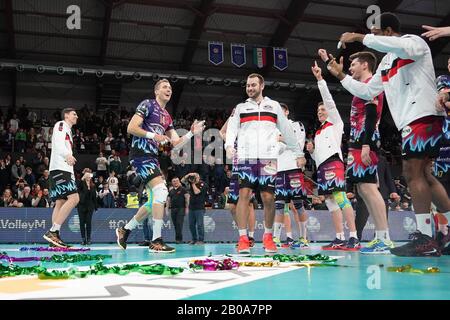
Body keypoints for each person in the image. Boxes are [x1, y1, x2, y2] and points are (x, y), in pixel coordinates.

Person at [330, 12, 450, 256]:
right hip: (408, 120)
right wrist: (340, 76)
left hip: (423, 114)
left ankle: (426, 238)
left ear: (386, 31)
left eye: (375, 32)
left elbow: (399, 45)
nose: (373, 37)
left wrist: (361, 38)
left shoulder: (413, 43)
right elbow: (367, 92)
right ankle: (443, 234)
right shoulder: (386, 63)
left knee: (412, 171)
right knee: (425, 175)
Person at [115, 79, 205, 253]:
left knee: (151, 203)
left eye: (170, 88)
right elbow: (131, 128)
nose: (168, 89)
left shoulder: (167, 116)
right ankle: (156, 241)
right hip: (140, 155)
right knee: (162, 191)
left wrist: (191, 133)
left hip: (152, 158)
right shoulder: (147, 104)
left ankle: (125, 230)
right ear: (156, 91)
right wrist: (153, 136)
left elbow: (176, 143)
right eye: (165, 87)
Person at [321, 49, 394, 254]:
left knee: (369, 189)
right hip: (357, 142)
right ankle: (380, 237)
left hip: (365, 141)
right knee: (363, 189)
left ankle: (384, 238)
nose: (350, 68)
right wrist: (328, 60)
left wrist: (366, 145)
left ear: (365, 65)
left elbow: (371, 115)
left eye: (353, 64)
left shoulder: (371, 85)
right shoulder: (361, 87)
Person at [225, 73, 304, 254]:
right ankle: (243, 238)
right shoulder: (240, 108)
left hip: (268, 158)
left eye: (253, 85)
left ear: (262, 86)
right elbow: (232, 128)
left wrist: (298, 153)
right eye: (247, 85)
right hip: (246, 157)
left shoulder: (274, 106)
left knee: (268, 198)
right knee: (243, 196)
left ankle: (268, 237)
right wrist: (229, 145)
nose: (250, 88)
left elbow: (287, 131)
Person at [308, 61, 360, 251]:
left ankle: (353, 237)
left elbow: (328, 100)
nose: (320, 112)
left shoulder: (335, 122)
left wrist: (320, 79)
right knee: (330, 202)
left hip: (334, 164)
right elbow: (318, 158)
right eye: (318, 111)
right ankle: (339, 238)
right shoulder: (319, 132)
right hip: (322, 166)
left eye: (323, 110)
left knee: (340, 198)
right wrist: (312, 152)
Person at [273, 103, 309, 249]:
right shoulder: (273, 130)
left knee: (299, 205)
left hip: (294, 168)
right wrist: (283, 141)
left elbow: (298, 144)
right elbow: (274, 149)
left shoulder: (296, 125)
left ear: (287, 112)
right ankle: (275, 239)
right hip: (279, 169)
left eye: (281, 112)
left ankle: (303, 238)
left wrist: (282, 139)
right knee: (279, 205)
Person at [43, 108, 80, 248]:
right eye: (74, 114)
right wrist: (67, 155)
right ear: (66, 115)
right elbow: (57, 143)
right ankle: (53, 231)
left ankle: (54, 239)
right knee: (74, 198)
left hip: (62, 169)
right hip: (60, 168)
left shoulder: (68, 129)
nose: (76, 116)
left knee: (60, 202)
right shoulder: (61, 125)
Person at [220, 113, 257, 247]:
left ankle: (251, 237)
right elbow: (221, 132)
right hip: (236, 172)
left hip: (249, 170)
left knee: (249, 204)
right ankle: (244, 234)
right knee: (232, 207)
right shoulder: (232, 139)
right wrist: (231, 116)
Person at [182, 173, 207, 245]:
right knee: (191, 225)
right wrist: (188, 175)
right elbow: (182, 181)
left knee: (199, 224)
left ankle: (201, 240)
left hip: (199, 207)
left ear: (198, 177)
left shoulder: (203, 184)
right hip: (191, 207)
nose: (193, 178)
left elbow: (196, 192)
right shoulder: (190, 183)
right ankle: (194, 239)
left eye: (195, 177)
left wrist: (193, 184)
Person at [77, 168, 98, 245]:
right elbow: (78, 187)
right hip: (81, 205)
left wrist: (96, 206)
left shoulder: (93, 185)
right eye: (87, 176)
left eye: (89, 176)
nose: (88, 177)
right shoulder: (81, 184)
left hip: (90, 206)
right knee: (82, 223)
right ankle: (83, 239)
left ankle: (88, 239)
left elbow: (94, 197)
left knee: (88, 222)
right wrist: (82, 179)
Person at [167, 177, 189, 244]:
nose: (175, 182)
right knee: (175, 224)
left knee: (179, 224)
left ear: (179, 181)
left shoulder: (183, 189)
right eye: (174, 181)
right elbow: (168, 200)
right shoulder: (171, 191)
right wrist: (167, 209)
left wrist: (187, 208)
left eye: (176, 181)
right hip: (173, 209)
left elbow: (187, 199)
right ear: (172, 182)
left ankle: (179, 239)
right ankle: (178, 239)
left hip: (181, 208)